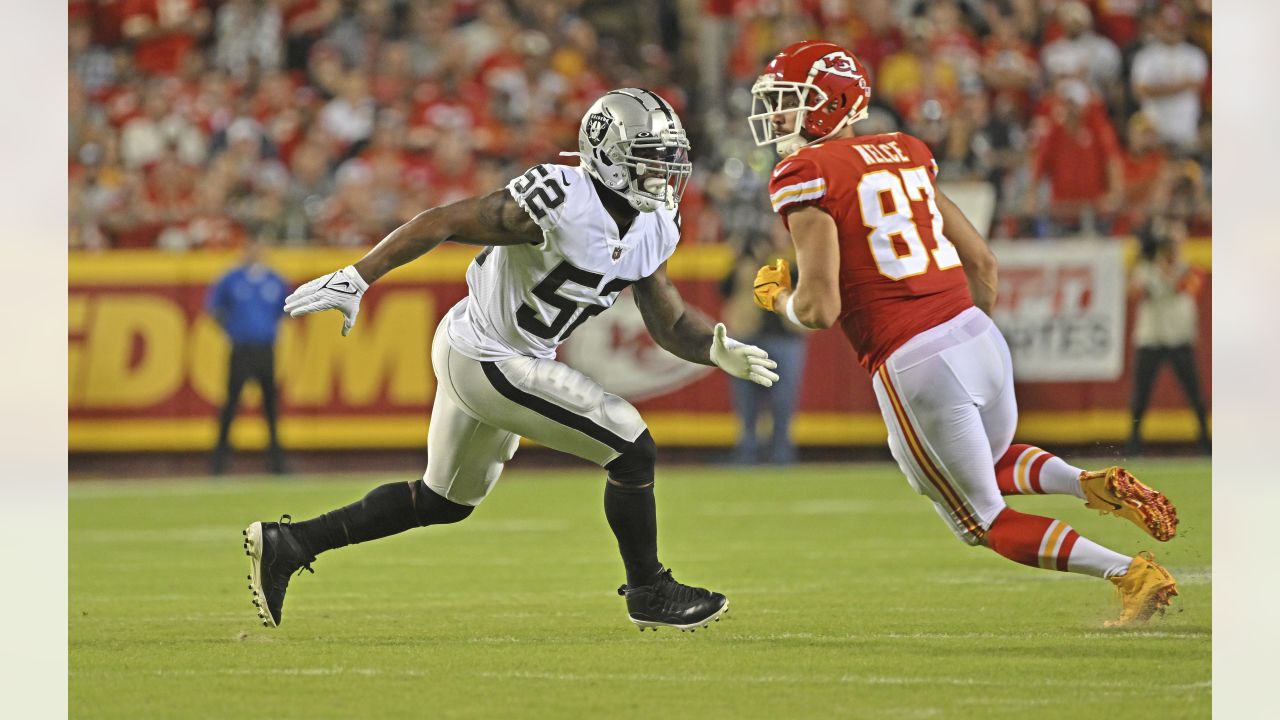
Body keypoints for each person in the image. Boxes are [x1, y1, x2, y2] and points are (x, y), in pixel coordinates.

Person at [242, 89, 779, 632]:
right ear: (608, 155)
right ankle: (649, 588)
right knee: (631, 447)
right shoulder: (561, 199)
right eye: (649, 156)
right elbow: (444, 220)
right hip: (491, 354)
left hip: (494, 351)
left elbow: (667, 322)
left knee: (444, 501)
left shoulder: (655, 223)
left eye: (669, 157)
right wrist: (360, 275)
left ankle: (292, 542)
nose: (664, 171)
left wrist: (712, 347)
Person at [746, 40, 1179, 627]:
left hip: (913, 357)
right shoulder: (907, 150)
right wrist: (963, 331)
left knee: (982, 520)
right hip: (976, 333)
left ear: (834, 103)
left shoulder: (806, 172)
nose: (777, 116)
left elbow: (820, 307)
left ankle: (1130, 572)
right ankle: (1088, 483)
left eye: (791, 101)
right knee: (989, 460)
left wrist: (779, 303)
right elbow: (984, 264)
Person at [720, 231, 808, 465]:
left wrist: (768, 259)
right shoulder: (743, 266)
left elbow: (800, 293)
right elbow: (725, 290)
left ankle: (781, 455)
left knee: (782, 403)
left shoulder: (789, 265)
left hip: (784, 339)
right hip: (748, 338)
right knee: (746, 404)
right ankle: (747, 454)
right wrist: (744, 260)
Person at [1126, 217, 1210, 456]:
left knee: (1195, 394)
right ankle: (1133, 444)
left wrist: (1165, 270)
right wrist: (1146, 262)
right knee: (1140, 396)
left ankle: (1205, 441)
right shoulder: (1145, 269)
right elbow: (1136, 293)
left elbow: (1187, 287)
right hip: (1150, 338)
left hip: (1179, 337)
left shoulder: (1189, 268)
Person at [207, 240, 290, 475]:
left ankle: (276, 461)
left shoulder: (274, 279)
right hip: (241, 348)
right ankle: (220, 460)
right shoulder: (231, 279)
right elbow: (215, 309)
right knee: (231, 404)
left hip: (265, 349)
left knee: (271, 406)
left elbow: (283, 310)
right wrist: (232, 331)